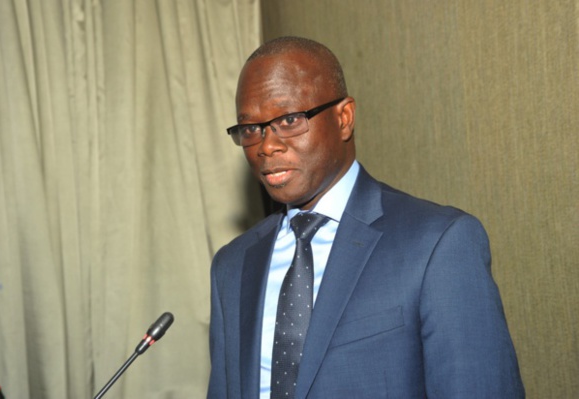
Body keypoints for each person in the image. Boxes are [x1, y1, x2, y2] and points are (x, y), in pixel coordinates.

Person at [207, 36, 524, 398]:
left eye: (290, 119)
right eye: (250, 129)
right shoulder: (231, 267)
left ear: (344, 118)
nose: (266, 145)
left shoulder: (439, 245)